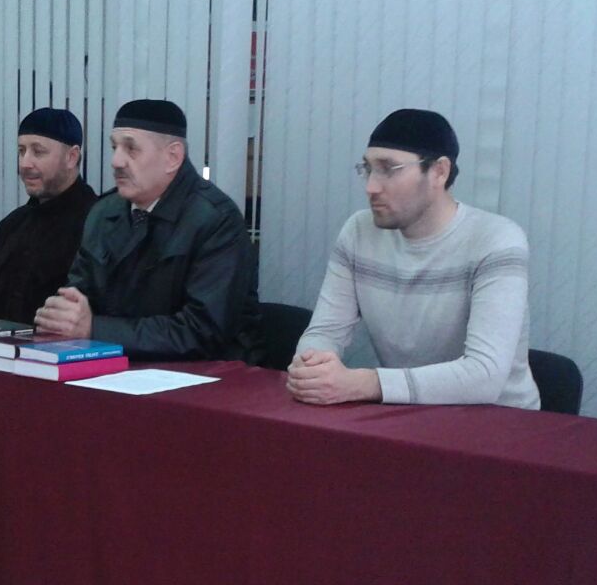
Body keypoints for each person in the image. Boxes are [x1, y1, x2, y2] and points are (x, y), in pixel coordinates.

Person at [287, 108, 540, 408]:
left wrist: (363, 383)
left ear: (439, 172)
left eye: (388, 169)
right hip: (408, 415)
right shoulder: (358, 232)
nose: (371, 187)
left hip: (499, 422)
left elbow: (484, 376)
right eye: (368, 168)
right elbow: (325, 332)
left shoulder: (495, 240)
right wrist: (311, 367)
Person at [35, 99, 262, 362]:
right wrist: (63, 316)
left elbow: (203, 331)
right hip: (118, 365)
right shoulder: (104, 212)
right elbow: (78, 296)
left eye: (131, 149)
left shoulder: (216, 221)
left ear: (172, 157)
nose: (116, 161)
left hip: (208, 374)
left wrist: (95, 329)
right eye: (114, 147)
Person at [0, 108, 97, 324]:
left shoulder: (98, 226)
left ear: (71, 157)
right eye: (21, 151)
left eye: (38, 152)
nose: (25, 163)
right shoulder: (11, 226)